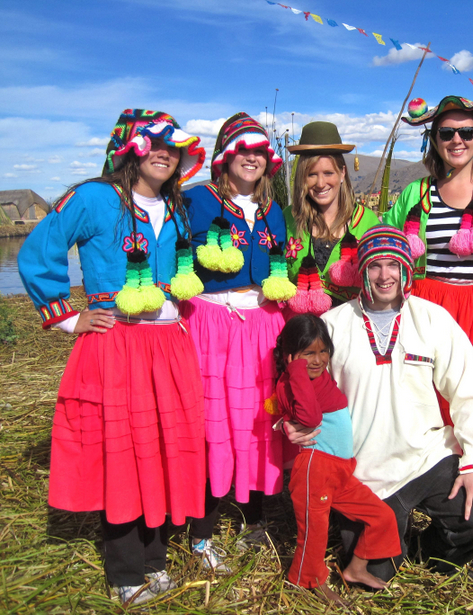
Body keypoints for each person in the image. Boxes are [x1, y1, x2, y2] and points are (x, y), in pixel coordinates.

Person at [17, 109, 207, 604]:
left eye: (174, 147)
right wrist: (66, 315)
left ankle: (155, 558)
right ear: (131, 149)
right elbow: (40, 250)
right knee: (124, 453)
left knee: (163, 449)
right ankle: (126, 571)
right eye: (155, 145)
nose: (166, 154)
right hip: (117, 344)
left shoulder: (175, 205)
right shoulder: (96, 198)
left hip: (168, 345)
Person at [287, 225, 473, 581]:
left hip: (426, 456)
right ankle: (394, 549)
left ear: (406, 269)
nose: (384, 275)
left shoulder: (432, 319)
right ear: (362, 271)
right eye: (375, 266)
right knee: (376, 575)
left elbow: (471, 390)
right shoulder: (334, 325)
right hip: (363, 472)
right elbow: (297, 381)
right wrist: (291, 422)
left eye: (393, 265)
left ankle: (424, 549)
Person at [382, 88, 473, 528]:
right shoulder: (415, 195)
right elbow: (387, 246)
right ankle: (437, 495)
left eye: (466, 131)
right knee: (432, 400)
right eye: (447, 133)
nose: (457, 140)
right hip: (430, 307)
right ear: (434, 139)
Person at [181, 113, 289, 567]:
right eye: (244, 150)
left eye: (261, 152)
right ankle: (201, 533)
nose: (253, 158)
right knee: (212, 422)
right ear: (226, 155)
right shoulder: (194, 201)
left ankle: (255, 519)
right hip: (211, 322)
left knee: (258, 419)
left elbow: (282, 262)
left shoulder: (272, 210)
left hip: (264, 323)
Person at [270, 314, 400, 604]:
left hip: (340, 472)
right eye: (308, 354)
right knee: (314, 532)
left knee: (381, 516)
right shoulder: (294, 382)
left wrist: (303, 364)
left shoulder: (317, 376)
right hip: (316, 469)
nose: (317, 360)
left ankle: (356, 568)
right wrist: (296, 369)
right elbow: (310, 416)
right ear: (292, 357)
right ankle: (308, 582)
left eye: (323, 351)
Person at [284, 121, 379, 314]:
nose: (320, 183)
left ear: (343, 172)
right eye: (311, 174)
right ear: (302, 177)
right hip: (300, 334)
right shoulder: (287, 219)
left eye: (328, 173)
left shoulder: (368, 223)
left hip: (352, 332)